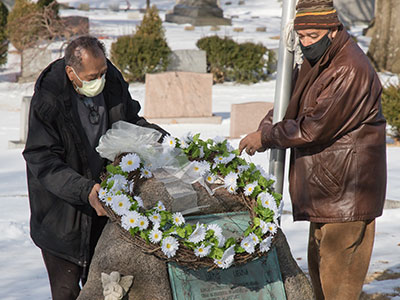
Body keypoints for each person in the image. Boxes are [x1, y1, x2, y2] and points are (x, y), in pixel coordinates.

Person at [239, 0, 386, 299]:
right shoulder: (319, 60)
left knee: (338, 287)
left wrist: (265, 137)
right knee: (320, 280)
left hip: (347, 194)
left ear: (333, 30)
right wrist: (267, 125)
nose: (306, 43)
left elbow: (312, 127)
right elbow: (290, 102)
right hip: (327, 190)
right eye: (302, 36)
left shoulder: (348, 68)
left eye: (313, 36)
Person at [23, 36, 167, 300]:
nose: (99, 81)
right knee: (66, 292)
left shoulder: (110, 80)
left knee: (106, 290)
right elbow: (42, 158)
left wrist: (159, 138)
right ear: (71, 72)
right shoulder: (49, 99)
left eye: (102, 72)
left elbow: (130, 121)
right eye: (92, 77)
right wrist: (84, 190)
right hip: (61, 219)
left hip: (104, 208)